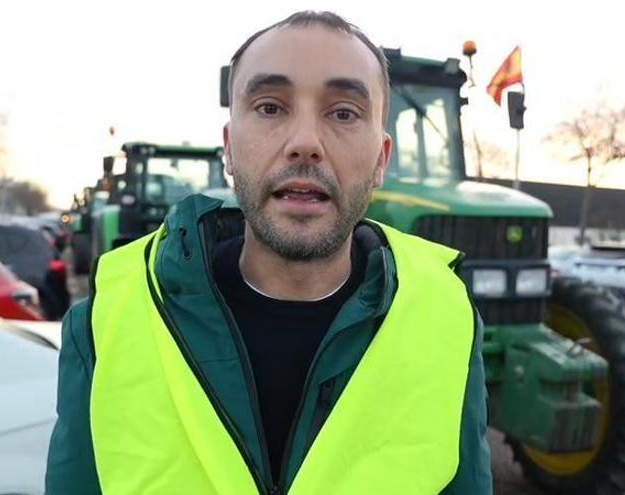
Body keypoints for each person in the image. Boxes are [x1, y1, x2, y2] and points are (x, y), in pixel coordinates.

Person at [46, 10, 492, 494]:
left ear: (381, 159)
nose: (304, 143)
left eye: (343, 113)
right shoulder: (107, 325)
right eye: (270, 108)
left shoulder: (446, 322)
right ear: (229, 149)